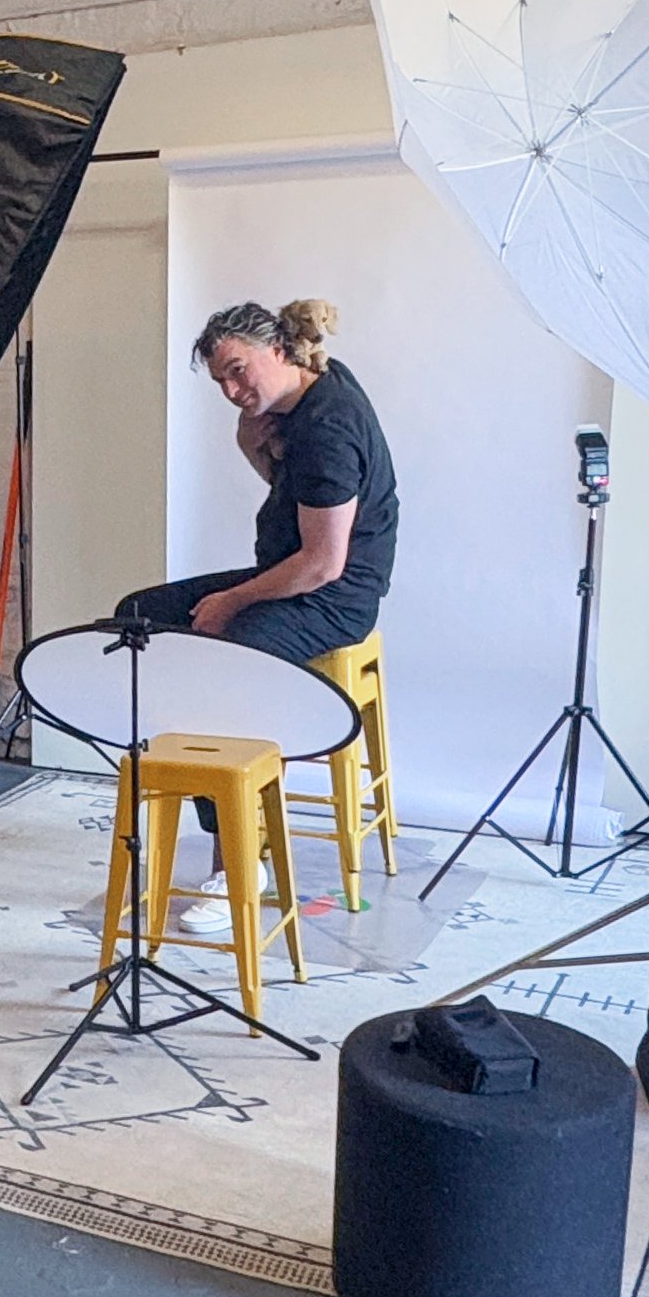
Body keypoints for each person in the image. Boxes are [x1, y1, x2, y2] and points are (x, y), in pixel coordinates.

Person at [113, 298, 398, 927]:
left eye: (240, 371)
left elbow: (323, 563)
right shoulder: (312, 388)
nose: (234, 390)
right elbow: (293, 500)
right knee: (138, 615)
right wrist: (252, 448)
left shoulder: (327, 425)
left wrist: (233, 601)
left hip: (335, 597)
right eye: (221, 382)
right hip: (297, 577)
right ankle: (182, 772)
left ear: (278, 351)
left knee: (224, 661)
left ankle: (237, 859)